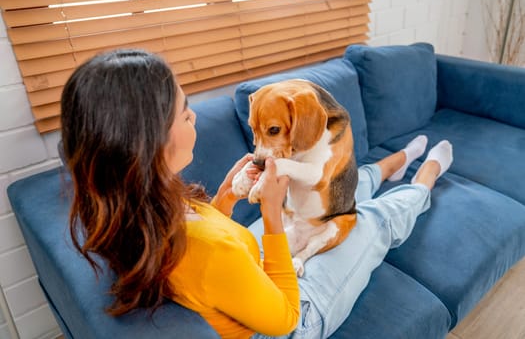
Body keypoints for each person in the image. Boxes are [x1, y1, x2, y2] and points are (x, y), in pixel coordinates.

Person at [60, 49, 453, 339]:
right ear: (148, 141)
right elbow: (286, 317)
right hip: (293, 315)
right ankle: (427, 177)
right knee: (372, 219)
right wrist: (271, 218)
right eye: (184, 112)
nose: (194, 115)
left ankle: (394, 163)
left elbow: (198, 249)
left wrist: (227, 198)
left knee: (341, 186)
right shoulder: (213, 252)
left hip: (250, 280)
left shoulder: (139, 209)